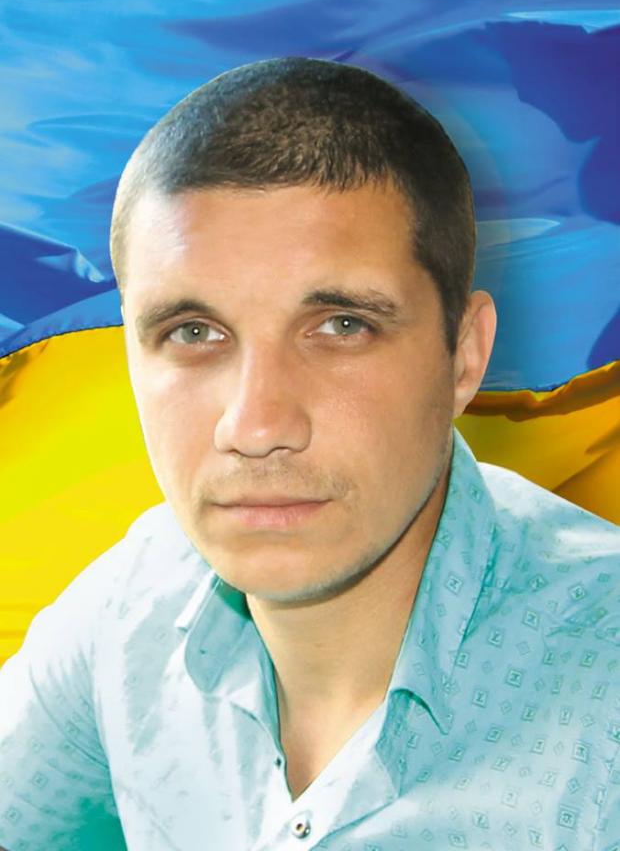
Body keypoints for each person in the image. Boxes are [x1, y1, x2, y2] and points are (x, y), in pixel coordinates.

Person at [0, 57, 618, 851]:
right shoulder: (132, 609)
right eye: (193, 332)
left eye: (342, 327)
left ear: (464, 356)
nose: (256, 425)